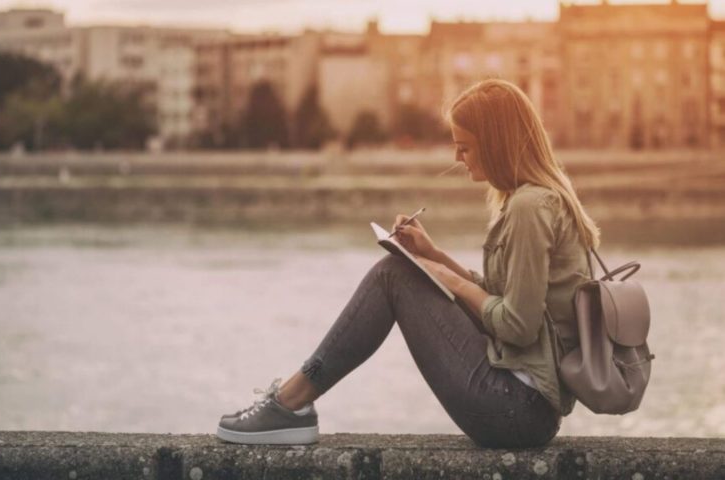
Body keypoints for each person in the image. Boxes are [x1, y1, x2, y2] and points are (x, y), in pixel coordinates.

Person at [216, 78, 600, 448]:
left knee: (392, 278)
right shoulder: (537, 199)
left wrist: (449, 278)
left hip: (516, 407)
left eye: (464, 147)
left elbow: (517, 326)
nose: (457, 158)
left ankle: (290, 402)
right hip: (523, 407)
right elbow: (506, 298)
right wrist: (432, 256)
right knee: (401, 271)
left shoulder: (529, 208)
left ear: (496, 144)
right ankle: (291, 402)